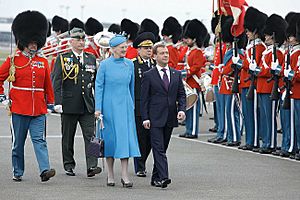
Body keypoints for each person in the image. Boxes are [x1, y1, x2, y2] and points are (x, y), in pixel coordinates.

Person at [0, 10, 55, 182]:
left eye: (36, 42)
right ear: (23, 41)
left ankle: (45, 170)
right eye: (31, 42)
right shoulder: (13, 60)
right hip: (18, 108)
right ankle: (18, 171)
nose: (34, 45)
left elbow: (48, 85)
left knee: (40, 140)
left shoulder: (43, 61)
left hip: (38, 108)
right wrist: (2, 97)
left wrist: (51, 103)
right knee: (18, 144)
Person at [51, 27, 102, 177]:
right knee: (68, 137)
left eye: (83, 39)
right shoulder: (63, 58)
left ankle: (92, 165)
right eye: (78, 39)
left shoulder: (91, 58)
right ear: (71, 41)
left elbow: (96, 83)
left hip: (87, 104)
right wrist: (58, 102)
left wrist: (98, 104)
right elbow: (57, 81)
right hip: (69, 104)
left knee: (92, 137)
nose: (81, 42)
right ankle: (68, 164)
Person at [94, 35, 141, 188]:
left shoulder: (129, 64)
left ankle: (125, 175)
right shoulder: (105, 65)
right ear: (113, 49)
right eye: (122, 47)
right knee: (111, 140)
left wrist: (132, 105)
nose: (124, 50)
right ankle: (110, 174)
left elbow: (131, 87)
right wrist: (98, 109)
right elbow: (99, 87)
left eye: (125, 47)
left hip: (125, 106)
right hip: (109, 107)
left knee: (125, 140)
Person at [141, 43, 186, 188]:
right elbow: (144, 99)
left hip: (170, 117)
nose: (165, 55)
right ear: (154, 57)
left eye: (166, 53)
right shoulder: (149, 75)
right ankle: (164, 176)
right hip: (154, 118)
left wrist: (182, 110)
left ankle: (155, 178)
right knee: (158, 148)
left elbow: (181, 95)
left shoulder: (176, 74)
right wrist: (145, 118)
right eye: (162, 53)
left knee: (163, 148)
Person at [238, 7, 267, 151]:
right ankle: (250, 139)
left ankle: (254, 140)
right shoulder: (251, 46)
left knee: (253, 114)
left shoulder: (259, 46)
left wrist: (242, 63)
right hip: (245, 83)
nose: (247, 33)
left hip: (252, 84)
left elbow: (253, 66)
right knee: (247, 114)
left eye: (249, 30)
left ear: (255, 30)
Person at [132, 32, 156, 177]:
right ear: (139, 49)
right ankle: (139, 166)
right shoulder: (133, 65)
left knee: (151, 139)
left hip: (154, 106)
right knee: (141, 138)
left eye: (150, 48)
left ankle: (143, 161)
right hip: (139, 106)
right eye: (145, 48)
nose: (148, 50)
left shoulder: (155, 65)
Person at [179, 19, 207, 139]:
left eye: (188, 38)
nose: (186, 40)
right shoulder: (189, 51)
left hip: (194, 83)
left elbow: (196, 67)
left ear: (194, 39)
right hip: (188, 83)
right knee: (188, 108)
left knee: (194, 108)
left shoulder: (198, 52)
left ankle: (193, 131)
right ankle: (189, 129)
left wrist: (185, 73)